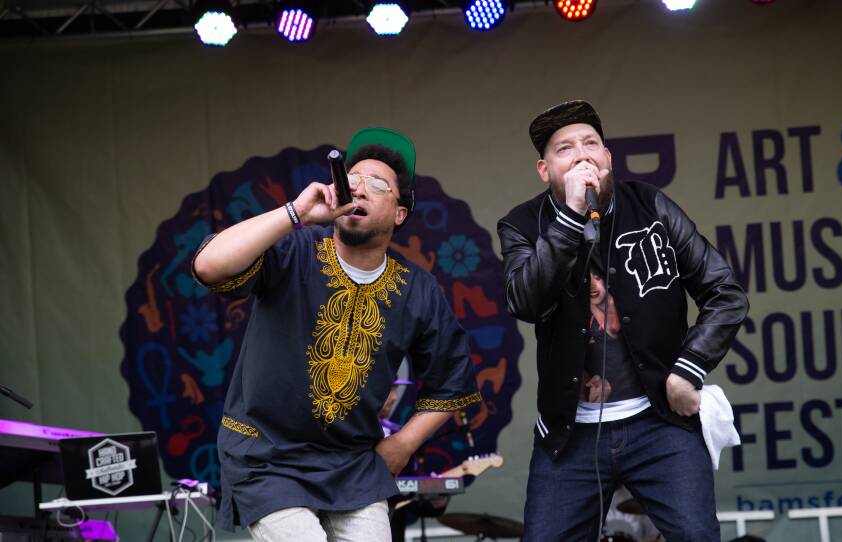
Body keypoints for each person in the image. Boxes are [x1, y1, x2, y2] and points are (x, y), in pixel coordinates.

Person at [192, 127, 481, 541]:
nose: (359, 190)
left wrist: (400, 446)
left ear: (400, 213)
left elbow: (453, 383)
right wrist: (295, 213)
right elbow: (209, 266)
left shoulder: (417, 290)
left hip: (352, 464)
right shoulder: (293, 251)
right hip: (265, 456)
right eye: (352, 180)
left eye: (377, 184)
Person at [497, 101, 749, 542]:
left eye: (591, 144)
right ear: (544, 169)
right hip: (568, 435)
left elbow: (725, 293)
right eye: (565, 149)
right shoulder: (521, 225)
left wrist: (687, 371)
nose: (581, 155)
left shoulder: (651, 205)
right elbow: (526, 302)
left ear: (608, 157)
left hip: (660, 422)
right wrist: (570, 217)